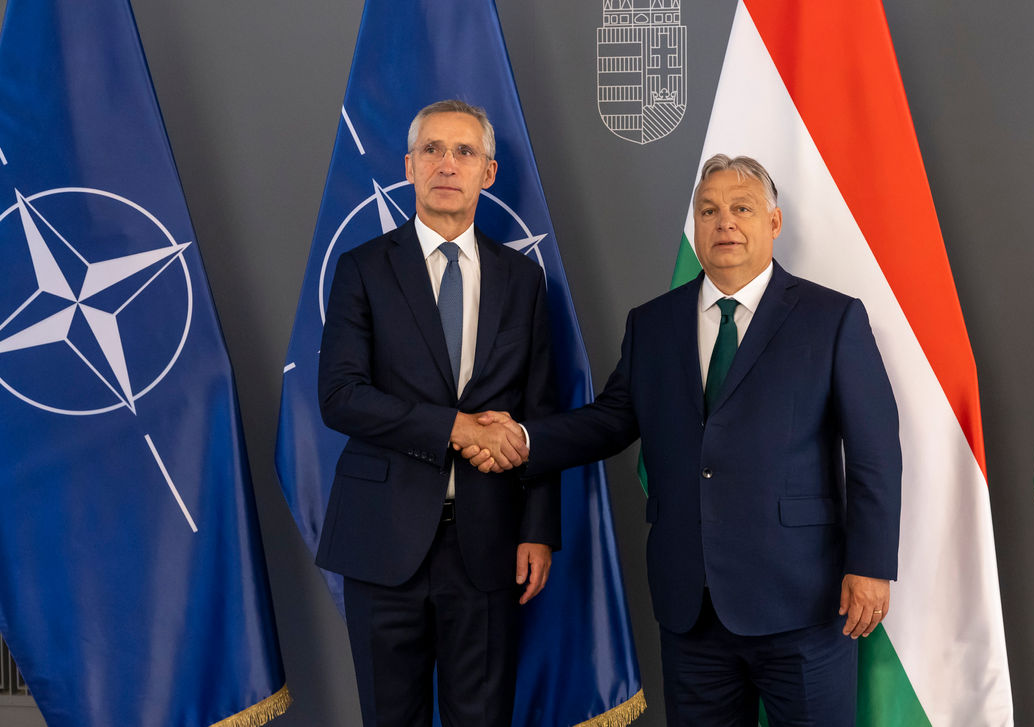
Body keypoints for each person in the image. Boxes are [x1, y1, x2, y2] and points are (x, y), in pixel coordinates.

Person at [468, 154, 901, 725]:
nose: (724, 222)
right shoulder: (653, 323)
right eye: (709, 210)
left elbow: (875, 452)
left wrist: (870, 564)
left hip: (803, 598)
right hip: (690, 605)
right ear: (694, 226)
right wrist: (521, 437)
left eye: (741, 208)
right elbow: (611, 420)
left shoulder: (832, 318)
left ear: (773, 223)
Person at [315, 99, 558, 727]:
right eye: (432, 151)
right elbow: (340, 395)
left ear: (488, 173)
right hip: (382, 540)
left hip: (490, 541)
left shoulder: (524, 281)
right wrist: (456, 428)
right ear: (409, 167)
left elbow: (540, 411)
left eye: (464, 152)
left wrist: (537, 528)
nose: (447, 164)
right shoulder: (363, 269)